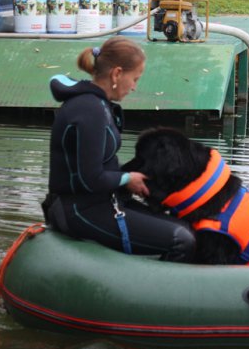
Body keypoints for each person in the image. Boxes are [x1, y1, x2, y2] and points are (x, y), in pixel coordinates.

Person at [42, 36, 195, 261]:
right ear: (116, 74)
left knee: (188, 228)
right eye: (135, 79)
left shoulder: (98, 104)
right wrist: (127, 179)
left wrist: (130, 182)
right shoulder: (89, 110)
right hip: (77, 211)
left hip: (102, 201)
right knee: (182, 239)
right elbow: (89, 179)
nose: (134, 87)